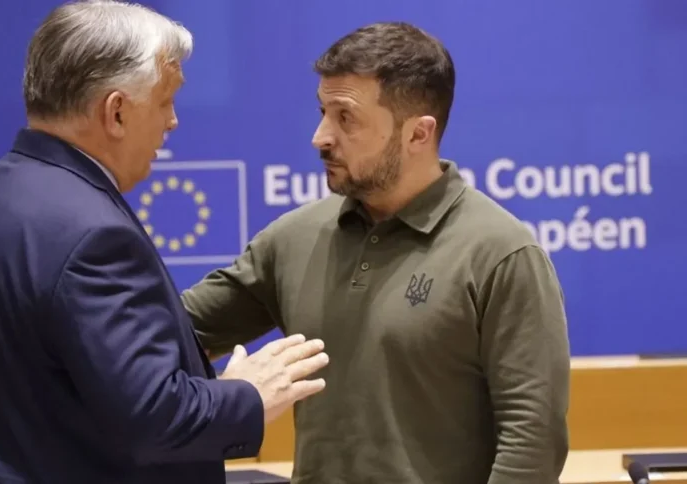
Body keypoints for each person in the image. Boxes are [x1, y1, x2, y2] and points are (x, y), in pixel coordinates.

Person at [0, 2, 329, 483]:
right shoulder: (94, 236)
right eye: (165, 102)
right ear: (116, 112)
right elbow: (157, 419)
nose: (172, 121)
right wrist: (249, 394)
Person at [182, 21, 571, 484]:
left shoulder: (503, 254)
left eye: (345, 117)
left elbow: (532, 441)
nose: (320, 136)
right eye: (323, 112)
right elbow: (168, 331)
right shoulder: (293, 237)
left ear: (418, 134)